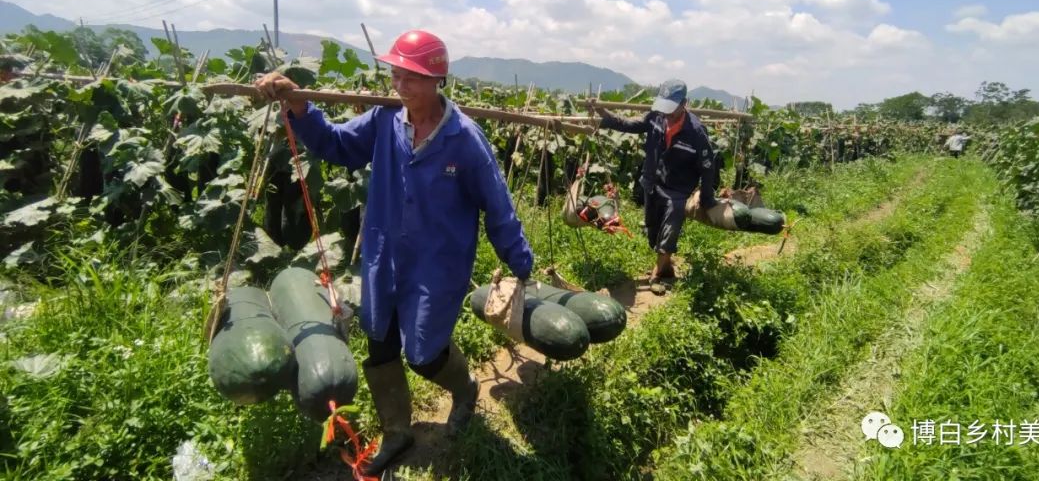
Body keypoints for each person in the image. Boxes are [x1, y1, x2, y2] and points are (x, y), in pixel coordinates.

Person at [254, 30, 535, 476]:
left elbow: (498, 207)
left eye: (413, 77)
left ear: (437, 79)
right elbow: (338, 145)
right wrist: (300, 108)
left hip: (437, 267)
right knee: (380, 341)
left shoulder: (464, 139)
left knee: (424, 352)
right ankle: (397, 432)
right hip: (384, 258)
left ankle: (464, 390)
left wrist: (521, 264)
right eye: (397, 74)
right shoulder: (386, 122)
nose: (401, 86)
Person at [586, 79, 718, 289]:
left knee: (669, 228)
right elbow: (629, 125)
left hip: (678, 189)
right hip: (652, 182)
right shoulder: (656, 117)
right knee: (653, 230)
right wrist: (603, 113)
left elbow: (708, 166)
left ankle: (658, 271)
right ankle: (667, 266)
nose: (666, 113)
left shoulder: (696, 131)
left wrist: (707, 198)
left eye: (671, 108)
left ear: (684, 103)